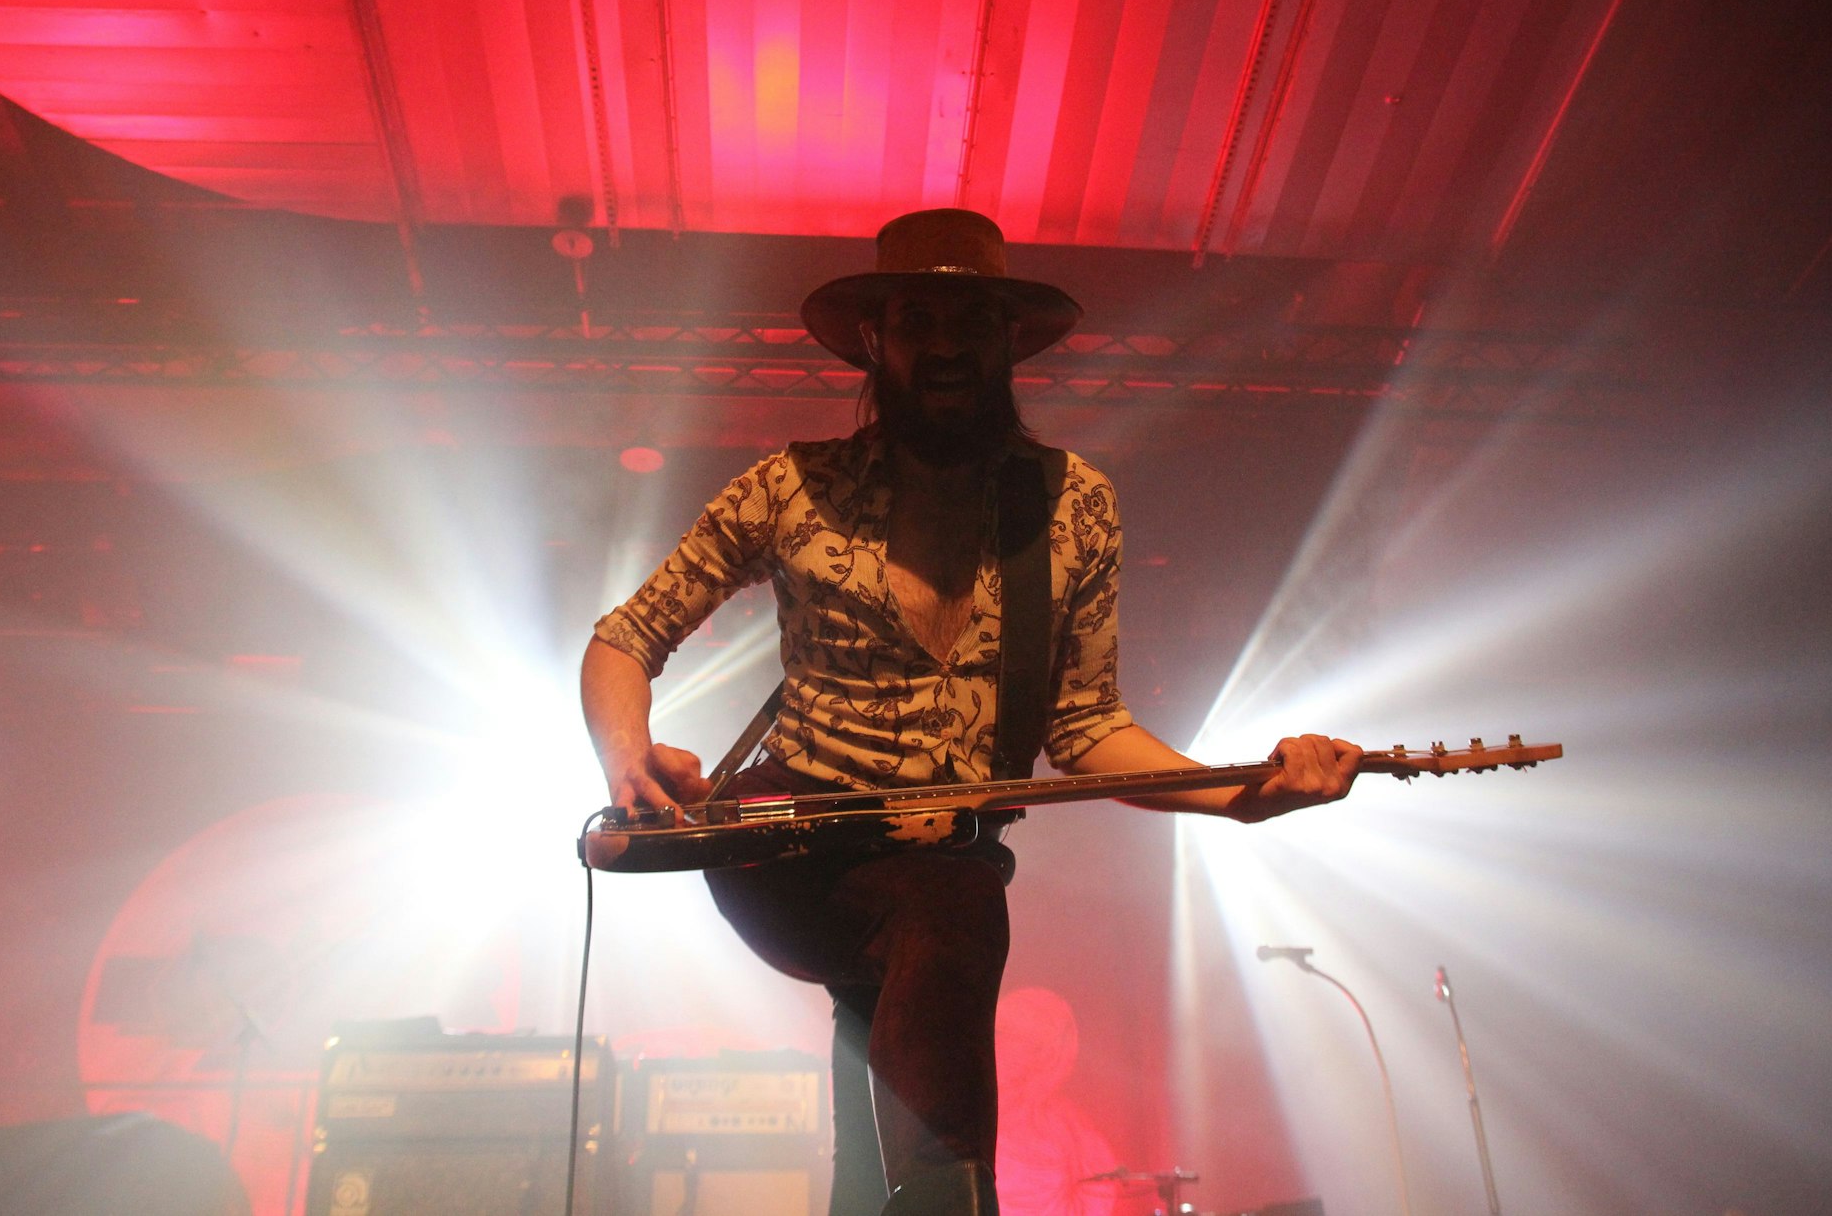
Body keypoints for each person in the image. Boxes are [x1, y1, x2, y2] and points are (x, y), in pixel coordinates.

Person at [580, 209, 1361, 1216]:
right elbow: (623, 636)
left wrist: (1241, 795)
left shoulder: (1069, 506)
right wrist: (627, 757)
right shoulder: (793, 486)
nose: (943, 343)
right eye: (916, 317)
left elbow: (1082, 728)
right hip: (787, 849)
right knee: (950, 910)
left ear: (1006, 340)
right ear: (876, 337)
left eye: (968, 320)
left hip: (939, 859)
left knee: (920, 951)